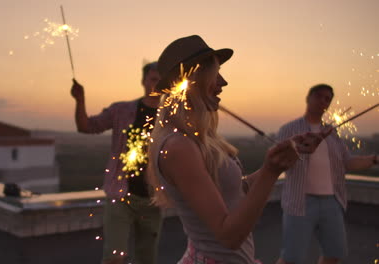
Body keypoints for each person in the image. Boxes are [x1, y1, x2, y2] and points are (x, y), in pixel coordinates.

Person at [147, 35, 316, 264]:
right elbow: (229, 236)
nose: (223, 82)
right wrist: (270, 171)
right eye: (215, 73)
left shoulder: (197, 139)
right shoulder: (178, 147)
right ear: (192, 78)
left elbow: (237, 190)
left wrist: (288, 155)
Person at [70, 62, 162, 264]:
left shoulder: (171, 118)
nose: (157, 84)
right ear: (143, 81)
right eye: (153, 79)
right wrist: (80, 100)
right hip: (120, 196)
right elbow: (86, 126)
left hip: (153, 200)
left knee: (147, 259)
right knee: (114, 258)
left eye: (161, 80)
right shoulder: (122, 110)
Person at [276, 84, 379, 264]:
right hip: (299, 202)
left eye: (327, 99)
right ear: (308, 98)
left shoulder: (333, 134)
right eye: (319, 96)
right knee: (291, 259)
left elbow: (348, 162)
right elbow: (278, 162)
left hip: (332, 202)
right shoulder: (289, 129)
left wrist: (375, 159)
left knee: (334, 253)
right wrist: (299, 150)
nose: (323, 101)